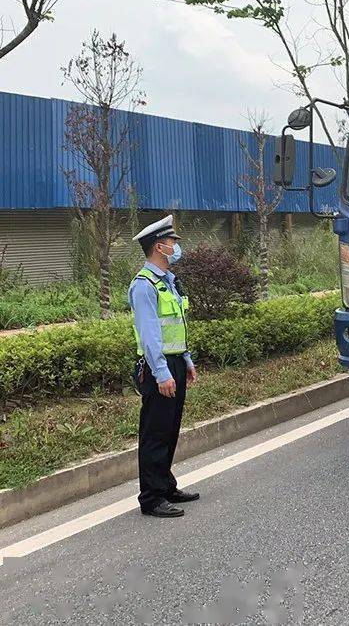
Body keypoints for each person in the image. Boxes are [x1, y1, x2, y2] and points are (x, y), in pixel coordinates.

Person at [129, 215, 199, 518]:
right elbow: (150, 336)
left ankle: (166, 485)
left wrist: (186, 360)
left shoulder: (167, 282)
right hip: (159, 367)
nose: (176, 247)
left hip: (175, 363)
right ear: (160, 246)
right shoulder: (144, 286)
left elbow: (174, 328)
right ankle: (151, 497)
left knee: (170, 429)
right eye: (172, 242)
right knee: (155, 432)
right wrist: (162, 373)